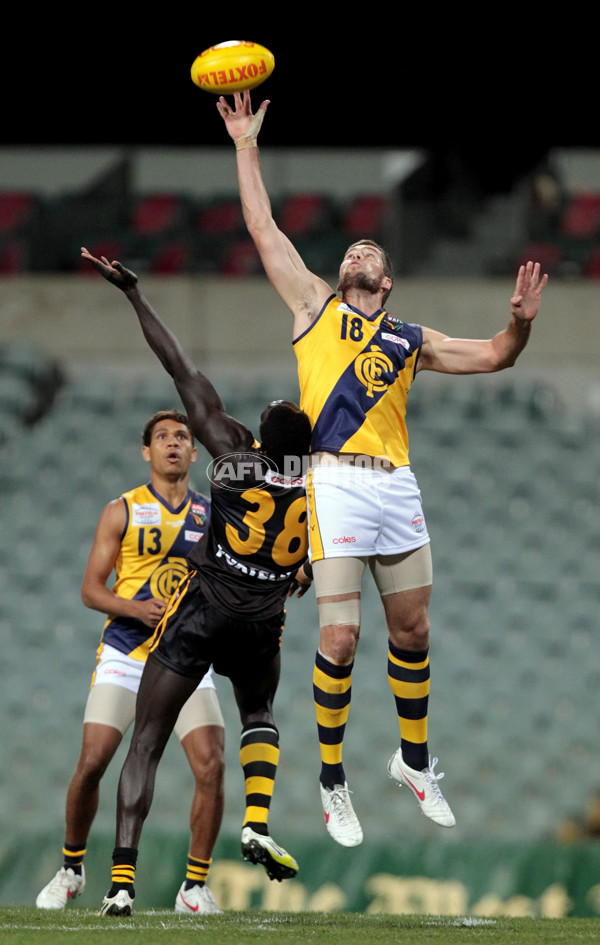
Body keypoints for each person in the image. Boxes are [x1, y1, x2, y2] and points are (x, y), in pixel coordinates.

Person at [217, 90, 549, 848]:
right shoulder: (311, 308)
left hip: (395, 482)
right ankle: (333, 779)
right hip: (331, 479)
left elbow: (495, 355)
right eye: (349, 253)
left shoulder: (409, 338)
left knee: (414, 628)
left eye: (372, 254)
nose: (357, 253)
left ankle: (414, 759)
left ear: (389, 281)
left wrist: (518, 326)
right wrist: (245, 143)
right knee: (338, 640)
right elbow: (263, 227)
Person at [79, 248, 314, 917]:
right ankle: (258, 820)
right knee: (259, 713)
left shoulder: (234, 457)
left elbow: (179, 368)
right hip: (262, 623)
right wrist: (301, 565)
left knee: (146, 739)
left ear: (260, 436)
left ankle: (121, 882)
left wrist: (134, 295)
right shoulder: (316, 486)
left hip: (201, 612)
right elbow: (323, 547)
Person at [35, 409, 226, 915]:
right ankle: (72, 867)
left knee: (211, 763)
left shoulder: (213, 515)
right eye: (162, 437)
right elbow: (90, 590)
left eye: (182, 437)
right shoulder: (120, 510)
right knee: (93, 761)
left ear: (193, 452)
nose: (172, 443)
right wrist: (135, 607)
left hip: (184, 657)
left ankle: (195, 886)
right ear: (147, 452)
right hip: (125, 651)